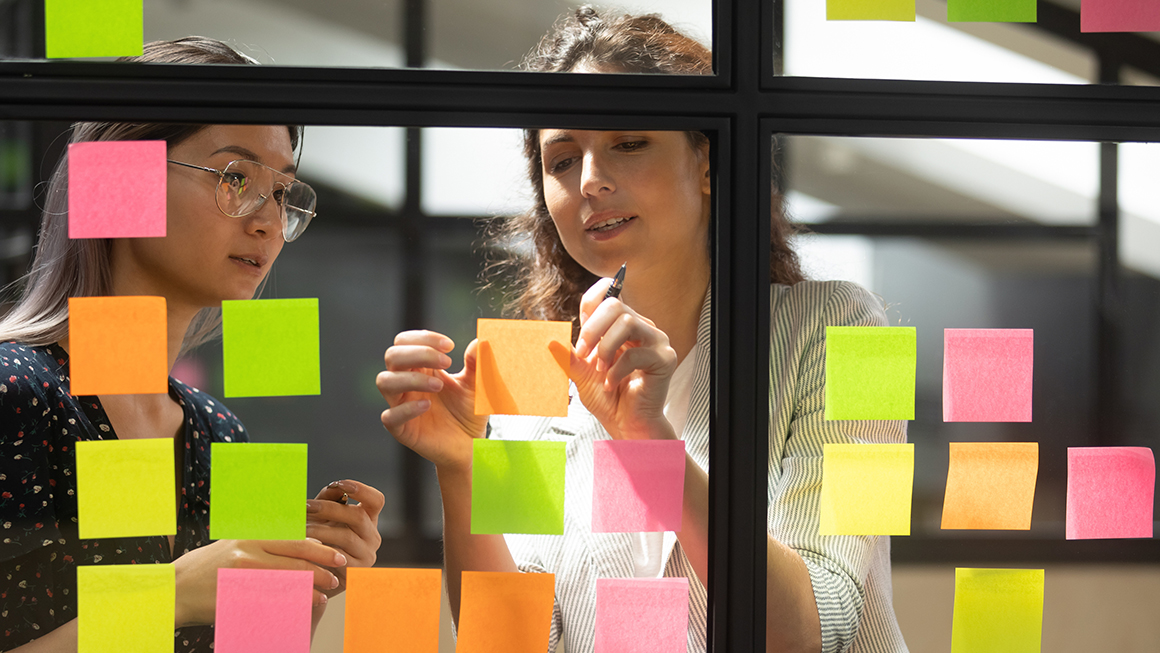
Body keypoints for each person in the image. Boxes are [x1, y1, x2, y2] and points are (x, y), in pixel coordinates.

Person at [377, 7, 907, 653]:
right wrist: (461, 470)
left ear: (707, 159)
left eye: (628, 142)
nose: (591, 179)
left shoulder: (852, 333)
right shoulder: (534, 369)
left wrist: (648, 440)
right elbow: (508, 643)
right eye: (563, 158)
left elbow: (814, 627)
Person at [0, 38, 383, 653]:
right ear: (118, 180)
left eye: (282, 192)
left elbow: (252, 647)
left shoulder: (219, 431)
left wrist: (309, 571)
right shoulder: (18, 393)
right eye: (235, 177)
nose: (266, 221)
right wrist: (173, 593)